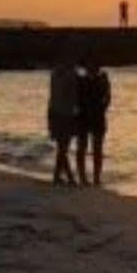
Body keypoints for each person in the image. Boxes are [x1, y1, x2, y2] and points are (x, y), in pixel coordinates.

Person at [75, 59, 112, 186]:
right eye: (89, 66)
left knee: (97, 149)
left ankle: (96, 178)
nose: (91, 68)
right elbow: (75, 98)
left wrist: (103, 107)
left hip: (96, 117)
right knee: (83, 148)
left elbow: (108, 98)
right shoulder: (81, 81)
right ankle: (83, 178)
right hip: (84, 117)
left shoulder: (102, 80)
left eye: (94, 66)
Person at [47, 55, 79, 185]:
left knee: (62, 147)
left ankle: (58, 176)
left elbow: (53, 96)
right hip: (65, 114)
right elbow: (73, 96)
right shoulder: (71, 75)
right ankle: (67, 177)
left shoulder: (55, 74)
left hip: (55, 112)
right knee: (63, 147)